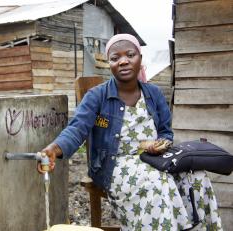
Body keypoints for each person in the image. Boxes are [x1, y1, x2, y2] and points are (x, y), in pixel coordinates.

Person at [40, 33, 222, 231]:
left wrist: (160, 144)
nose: (123, 61)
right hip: (115, 164)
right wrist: (54, 149)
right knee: (155, 181)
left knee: (196, 176)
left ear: (140, 59)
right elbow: (77, 129)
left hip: (156, 159)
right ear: (109, 64)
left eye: (130, 55)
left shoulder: (154, 94)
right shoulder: (97, 97)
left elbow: (165, 132)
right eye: (115, 58)